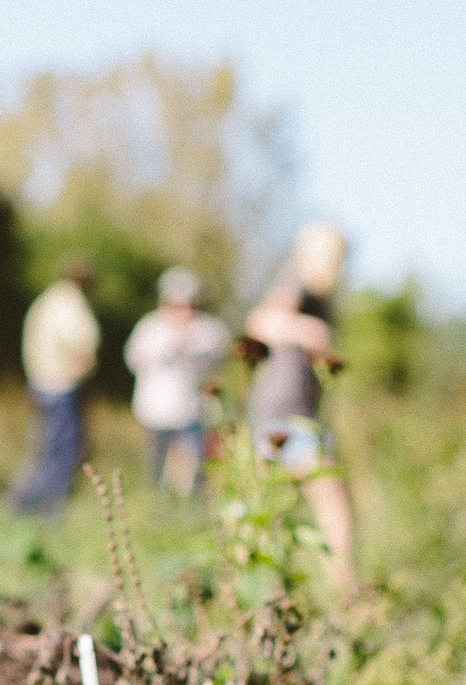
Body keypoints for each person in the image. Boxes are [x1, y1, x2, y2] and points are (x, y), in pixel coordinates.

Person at [239, 219, 354, 585]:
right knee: (332, 508)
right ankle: (344, 590)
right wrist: (312, 331)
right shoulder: (297, 284)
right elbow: (258, 324)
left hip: (289, 414)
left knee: (265, 513)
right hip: (287, 415)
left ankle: (260, 596)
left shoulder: (317, 295)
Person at [124, 267, 230, 494]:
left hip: (193, 412)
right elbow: (134, 359)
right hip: (156, 411)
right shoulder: (150, 327)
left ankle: (190, 508)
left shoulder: (207, 330)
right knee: (158, 469)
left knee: (194, 468)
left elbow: (219, 360)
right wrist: (170, 346)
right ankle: (161, 506)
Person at [6, 260, 99, 514]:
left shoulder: (46, 302)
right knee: (60, 451)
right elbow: (77, 345)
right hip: (61, 385)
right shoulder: (70, 305)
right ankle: (45, 509)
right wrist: (82, 367)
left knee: (41, 447)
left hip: (40, 382)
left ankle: (21, 504)